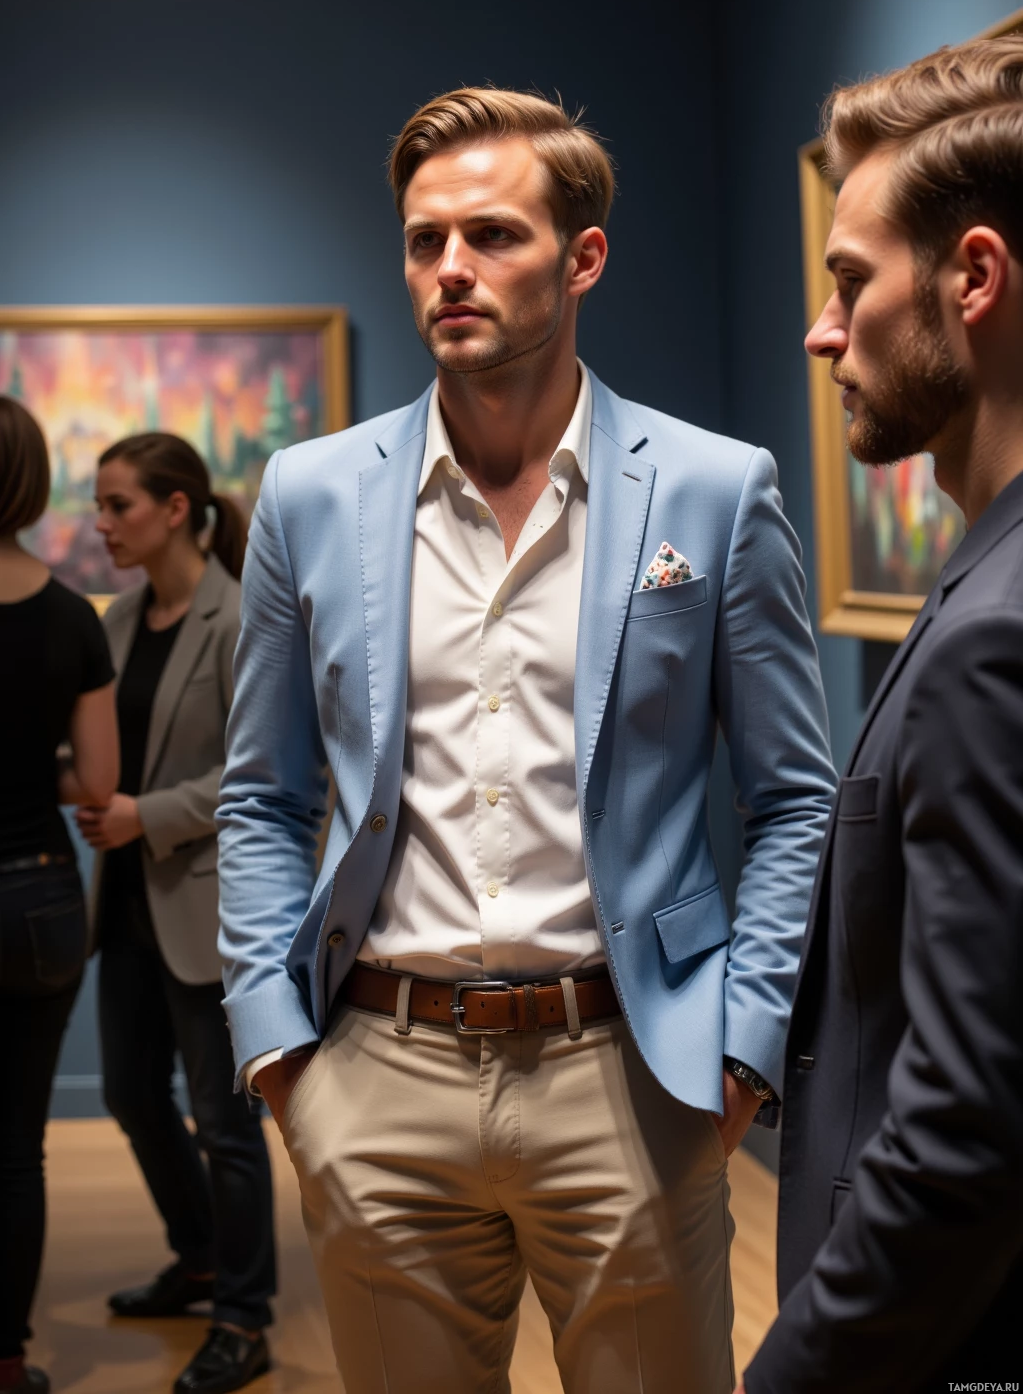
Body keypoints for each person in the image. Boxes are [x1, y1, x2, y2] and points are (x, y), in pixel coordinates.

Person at [217, 87, 837, 1394]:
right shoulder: (311, 494)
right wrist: (280, 1054)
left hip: (631, 1072)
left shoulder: (715, 491)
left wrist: (742, 1047)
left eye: (493, 235)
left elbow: (794, 797)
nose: (449, 269)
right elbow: (261, 795)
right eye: (423, 239)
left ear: (584, 257)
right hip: (379, 1074)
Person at [742, 37, 1023, 1394]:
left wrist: (786, 1374)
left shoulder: (996, 638)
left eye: (850, 282)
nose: (820, 328)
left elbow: (967, 1134)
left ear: (973, 279)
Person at [77, 433, 275, 1394]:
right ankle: (199, 1259)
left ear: (177, 509)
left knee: (224, 1124)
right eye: (100, 506)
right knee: (127, 1094)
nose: (102, 524)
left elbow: (261, 778)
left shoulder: (237, 620)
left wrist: (139, 815)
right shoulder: (115, 623)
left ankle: (243, 1318)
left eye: (117, 505)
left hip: (206, 911)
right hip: (122, 906)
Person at [0, 395, 119, 1394]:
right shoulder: (73, 614)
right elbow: (95, 781)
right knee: (16, 1146)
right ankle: (6, 1358)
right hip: (38, 893)